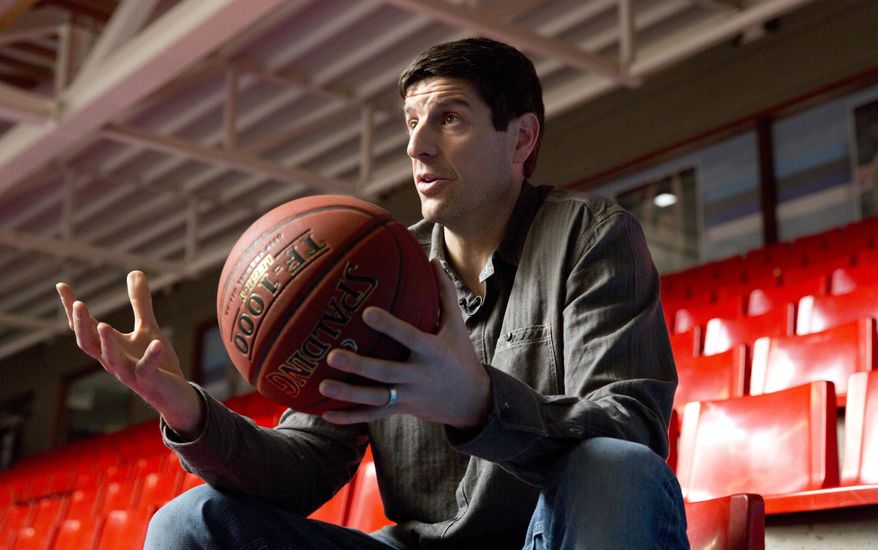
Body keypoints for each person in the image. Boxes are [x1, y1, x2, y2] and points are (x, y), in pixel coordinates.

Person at [57, 37, 687, 549]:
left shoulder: (591, 235)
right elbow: (305, 464)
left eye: (449, 118)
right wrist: (188, 412)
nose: (417, 145)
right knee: (189, 524)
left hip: (548, 536)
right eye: (412, 123)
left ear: (521, 139)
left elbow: (630, 426)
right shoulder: (373, 272)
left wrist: (477, 404)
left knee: (615, 468)